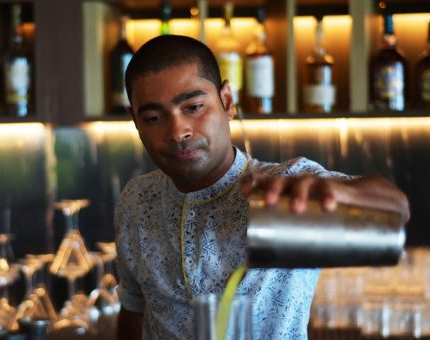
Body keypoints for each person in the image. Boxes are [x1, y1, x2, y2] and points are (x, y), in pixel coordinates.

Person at [114, 34, 409, 340]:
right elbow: (134, 309)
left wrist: (345, 193)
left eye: (194, 107)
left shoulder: (289, 185)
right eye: (153, 117)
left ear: (227, 101)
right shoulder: (136, 199)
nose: (177, 131)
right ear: (135, 122)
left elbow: (398, 208)